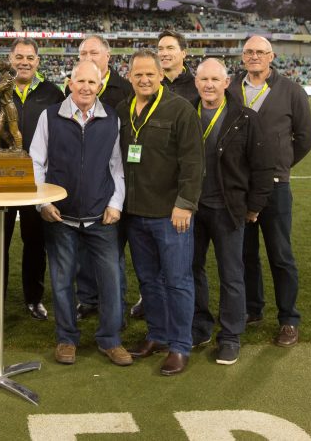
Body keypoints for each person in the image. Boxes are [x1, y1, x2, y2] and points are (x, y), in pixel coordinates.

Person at [30, 60, 132, 367]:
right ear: (70, 83)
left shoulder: (111, 118)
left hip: (101, 216)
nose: (86, 87)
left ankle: (110, 340)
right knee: (62, 281)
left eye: (92, 82)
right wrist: (42, 204)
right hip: (60, 217)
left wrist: (115, 204)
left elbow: (117, 167)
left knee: (111, 279)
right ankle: (66, 338)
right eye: (80, 82)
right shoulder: (50, 116)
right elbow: (36, 163)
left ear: (100, 85)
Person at [118, 49, 203, 376]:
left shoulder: (179, 109)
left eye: (149, 74)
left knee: (178, 280)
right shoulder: (123, 110)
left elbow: (194, 163)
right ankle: (157, 334)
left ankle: (180, 345)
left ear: (160, 75)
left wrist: (185, 203)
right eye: (138, 74)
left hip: (171, 214)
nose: (144, 79)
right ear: (130, 76)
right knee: (149, 281)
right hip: (136, 213)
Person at [227, 35, 311, 347]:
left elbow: (305, 137)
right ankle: (253, 309)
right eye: (249, 52)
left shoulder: (290, 90)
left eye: (260, 52)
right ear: (242, 56)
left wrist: (281, 163)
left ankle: (288, 318)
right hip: (239, 187)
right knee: (245, 253)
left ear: (271, 56)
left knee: (280, 255)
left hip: (276, 188)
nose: (254, 56)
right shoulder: (230, 88)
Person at [191, 58, 273, 365]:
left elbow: (262, 167)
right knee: (191, 270)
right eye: (203, 79)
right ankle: (200, 327)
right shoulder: (186, 111)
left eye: (215, 79)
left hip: (228, 209)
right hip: (191, 208)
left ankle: (230, 336)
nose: (209, 85)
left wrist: (254, 206)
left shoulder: (245, 117)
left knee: (231, 274)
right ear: (196, 82)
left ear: (227, 83)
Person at [0, 37, 63, 322]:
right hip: (0, 179)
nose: (24, 62)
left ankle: (33, 298)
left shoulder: (52, 93)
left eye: (30, 57)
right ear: (10, 60)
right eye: (19, 57)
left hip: (35, 181)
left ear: (38, 62)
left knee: (35, 242)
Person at [71, 36, 135, 321]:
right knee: (84, 247)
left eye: (93, 52)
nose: (88, 55)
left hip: (113, 181)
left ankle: (114, 302)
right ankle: (87, 298)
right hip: (82, 185)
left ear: (107, 56)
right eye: (83, 52)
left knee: (112, 251)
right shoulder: (72, 88)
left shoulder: (124, 89)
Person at [157, 29, 198, 104]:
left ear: (183, 53)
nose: (164, 53)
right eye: (160, 49)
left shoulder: (198, 86)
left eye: (170, 48)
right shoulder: (150, 84)